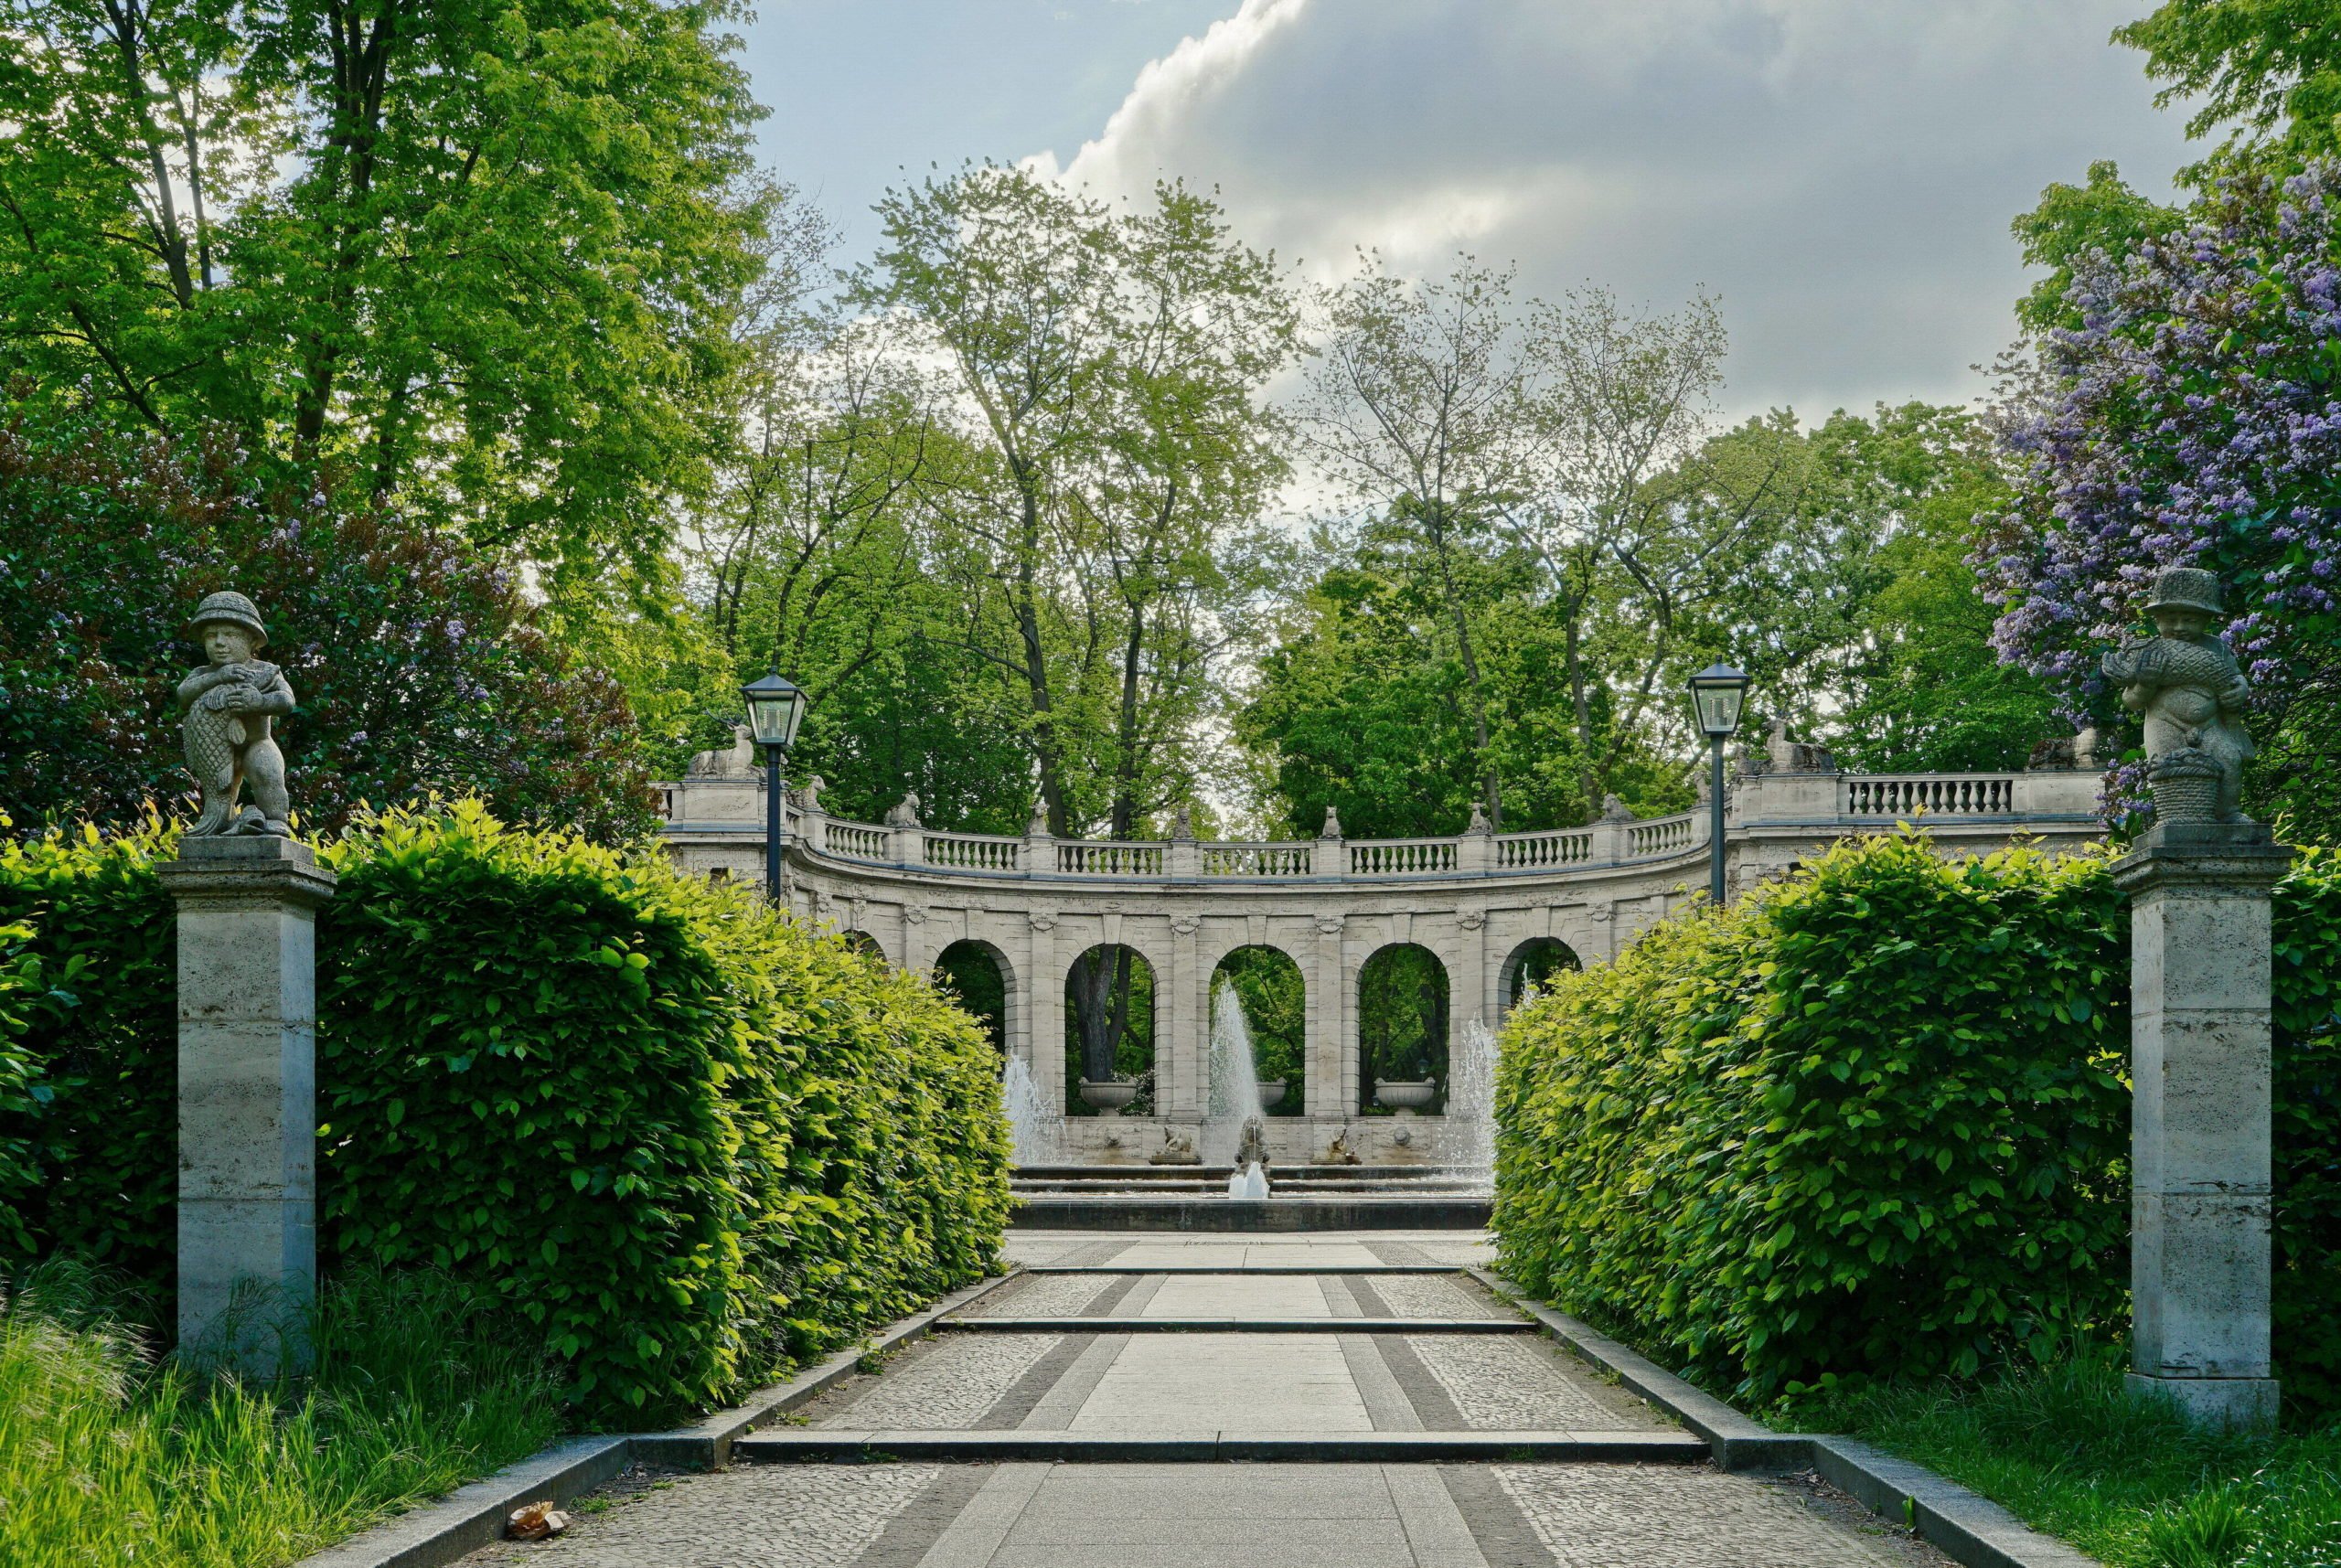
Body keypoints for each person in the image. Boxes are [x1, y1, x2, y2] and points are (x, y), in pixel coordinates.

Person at [2101, 567, 2253, 823]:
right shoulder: (2148, 652)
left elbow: (2235, 677)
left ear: (2206, 620)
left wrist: (2240, 689)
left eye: (2190, 620)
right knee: (2168, 767)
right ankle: (2175, 818)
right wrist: (2146, 685)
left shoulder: (2217, 647)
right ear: (2157, 620)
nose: (2179, 627)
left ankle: (2229, 812)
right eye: (2171, 619)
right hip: (2166, 722)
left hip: (2210, 725)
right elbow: (2132, 701)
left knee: (2229, 759)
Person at [177, 590, 296, 837]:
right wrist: (217, 677)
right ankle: (220, 820)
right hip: (216, 751)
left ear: (252, 641)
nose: (219, 643)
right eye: (211, 636)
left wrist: (260, 702)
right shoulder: (202, 674)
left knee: (268, 772)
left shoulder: (266, 672)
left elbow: (286, 701)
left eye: (230, 635)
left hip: (256, 742)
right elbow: (183, 696)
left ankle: (275, 820)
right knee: (218, 790)